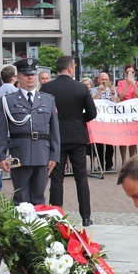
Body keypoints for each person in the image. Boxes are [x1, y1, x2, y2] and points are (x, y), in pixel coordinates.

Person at [0, 58, 60, 205]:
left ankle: (38, 227)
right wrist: (0, 156)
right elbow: (1, 131)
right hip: (20, 154)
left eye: (33, 74)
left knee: (39, 198)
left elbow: (54, 130)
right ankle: (21, 227)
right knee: (21, 199)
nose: (30, 77)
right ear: (18, 77)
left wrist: (54, 155)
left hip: (42, 153)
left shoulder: (48, 100)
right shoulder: (8, 100)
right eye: (26, 74)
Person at [41, 56, 98, 226]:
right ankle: (86, 216)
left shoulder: (46, 87)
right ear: (71, 69)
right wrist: (79, 119)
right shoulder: (80, 87)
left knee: (56, 178)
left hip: (56, 136)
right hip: (77, 135)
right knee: (81, 177)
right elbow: (92, 113)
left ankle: (56, 216)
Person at [0, 65, 18, 192]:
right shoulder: (17, 92)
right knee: (17, 157)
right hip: (14, 130)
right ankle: (18, 184)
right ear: (13, 77)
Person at [116, 64, 138, 163]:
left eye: (131, 73)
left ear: (134, 73)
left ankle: (132, 159)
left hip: (133, 112)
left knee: (133, 137)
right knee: (123, 137)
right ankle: (123, 160)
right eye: (127, 73)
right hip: (123, 112)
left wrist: (133, 84)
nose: (129, 75)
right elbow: (121, 96)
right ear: (125, 73)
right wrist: (127, 85)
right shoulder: (120, 83)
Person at [91, 72, 116, 171]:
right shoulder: (93, 90)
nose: (104, 82)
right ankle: (100, 164)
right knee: (99, 144)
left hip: (109, 121)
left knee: (110, 144)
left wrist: (113, 93)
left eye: (106, 80)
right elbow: (92, 101)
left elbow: (115, 103)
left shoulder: (112, 90)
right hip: (98, 121)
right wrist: (99, 92)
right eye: (102, 79)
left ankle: (109, 164)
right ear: (98, 80)